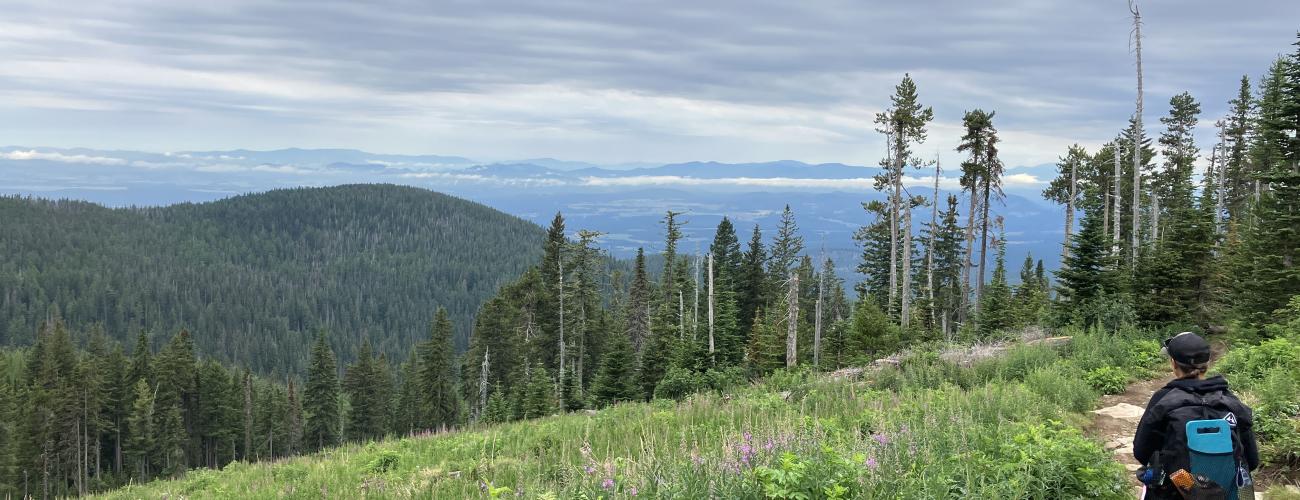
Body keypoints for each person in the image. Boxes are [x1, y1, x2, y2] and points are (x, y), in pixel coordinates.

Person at [1133, 332, 1259, 499]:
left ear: (1173, 363)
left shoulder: (1162, 399)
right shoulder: (1228, 400)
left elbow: (1141, 452)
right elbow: (1252, 460)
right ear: (1207, 364)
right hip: (1225, 494)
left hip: (1176, 492)